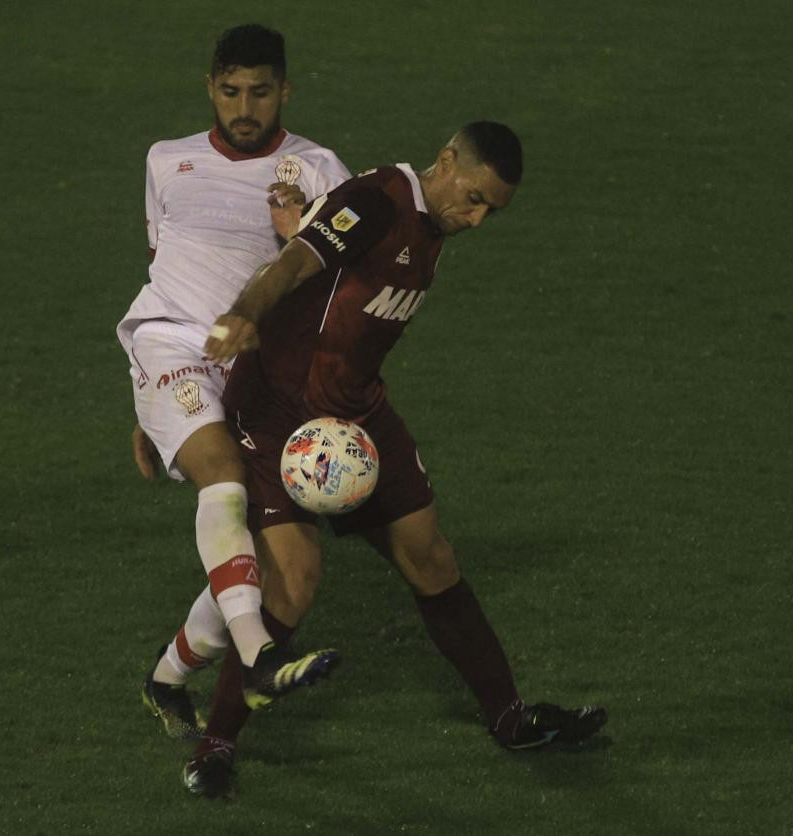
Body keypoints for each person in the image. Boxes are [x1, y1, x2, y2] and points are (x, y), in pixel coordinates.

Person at [180, 121, 608, 798]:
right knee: (294, 578)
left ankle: (510, 718)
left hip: (355, 415)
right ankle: (216, 744)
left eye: (493, 210)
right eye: (474, 197)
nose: (478, 217)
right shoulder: (377, 200)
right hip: (281, 411)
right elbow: (292, 263)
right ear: (446, 161)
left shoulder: (434, 230)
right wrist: (243, 314)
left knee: (430, 556)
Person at [116, 24, 352, 742]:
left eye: (259, 92)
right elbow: (169, 266)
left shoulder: (320, 170)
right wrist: (154, 407)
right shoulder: (167, 160)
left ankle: (166, 676)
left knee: (283, 568)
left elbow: (342, 294)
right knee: (221, 477)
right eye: (229, 92)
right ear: (210, 89)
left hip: (255, 372)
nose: (243, 107)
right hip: (169, 343)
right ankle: (258, 656)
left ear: (285, 90)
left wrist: (294, 238)